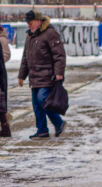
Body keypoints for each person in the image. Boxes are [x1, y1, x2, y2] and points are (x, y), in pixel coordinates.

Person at [17, 10, 67, 139]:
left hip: (47, 76)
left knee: (44, 100)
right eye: (27, 23)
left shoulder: (50, 34)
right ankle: (42, 130)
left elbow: (59, 55)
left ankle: (58, 123)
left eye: (31, 22)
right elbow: (25, 58)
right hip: (34, 78)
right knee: (37, 106)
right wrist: (22, 75)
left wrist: (59, 73)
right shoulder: (30, 36)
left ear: (39, 21)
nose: (29, 25)